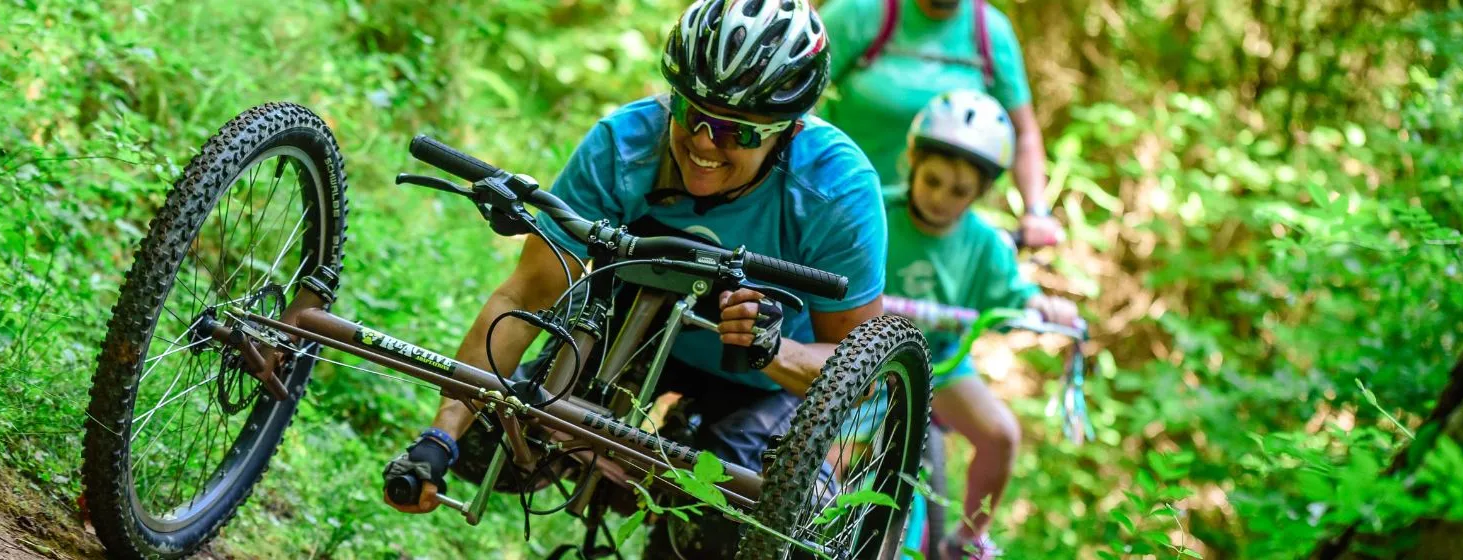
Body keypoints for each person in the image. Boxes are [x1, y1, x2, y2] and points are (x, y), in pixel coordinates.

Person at [380, 0, 889, 556]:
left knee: (722, 520)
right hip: (637, 335)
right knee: (490, 440)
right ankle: (611, 468)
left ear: (785, 131)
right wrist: (441, 436)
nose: (703, 142)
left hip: (761, 380)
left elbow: (858, 370)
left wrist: (774, 349)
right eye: (692, 113)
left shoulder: (836, 191)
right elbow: (526, 293)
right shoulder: (623, 145)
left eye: (736, 133)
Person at [876, 90, 1079, 559]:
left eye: (960, 190)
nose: (942, 198)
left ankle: (965, 540)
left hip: (940, 363)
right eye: (933, 181)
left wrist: (1045, 308)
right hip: (860, 356)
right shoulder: (875, 211)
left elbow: (1014, 299)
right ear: (912, 162)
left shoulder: (985, 244)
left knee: (1001, 435)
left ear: (982, 192)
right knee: (833, 452)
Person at [819, 0, 1064, 248]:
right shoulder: (857, 13)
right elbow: (796, 96)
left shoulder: (991, 31)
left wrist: (1036, 211)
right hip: (838, 210)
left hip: (937, 230)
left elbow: (1022, 133)